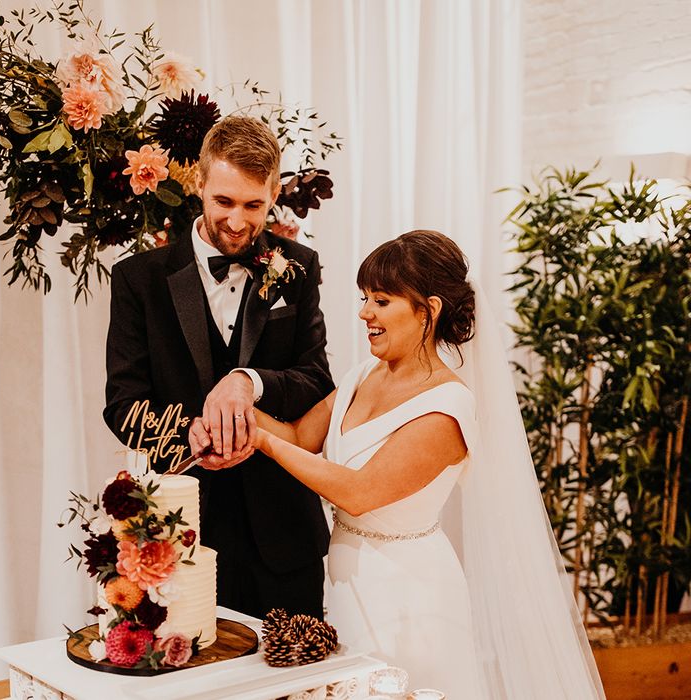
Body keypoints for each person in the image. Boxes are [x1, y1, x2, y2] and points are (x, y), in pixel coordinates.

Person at [191, 230, 606, 698]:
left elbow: (358, 491)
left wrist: (261, 441)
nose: (365, 312)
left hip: (411, 596)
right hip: (348, 584)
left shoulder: (448, 407)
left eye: (382, 301)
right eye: (365, 298)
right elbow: (301, 438)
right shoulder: (364, 373)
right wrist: (233, 409)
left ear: (429, 310)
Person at [103, 116, 334, 620]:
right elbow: (122, 404)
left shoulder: (299, 267)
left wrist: (248, 382)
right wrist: (190, 435)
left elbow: (316, 380)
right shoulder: (137, 279)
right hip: (184, 540)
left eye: (254, 205)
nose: (237, 221)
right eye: (224, 202)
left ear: (274, 192)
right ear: (200, 185)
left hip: (285, 537)